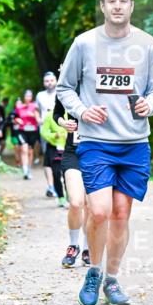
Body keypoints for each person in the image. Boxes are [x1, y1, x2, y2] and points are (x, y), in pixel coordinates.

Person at [56, 0, 153, 305]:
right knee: (99, 211)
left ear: (131, 6)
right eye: (111, 1)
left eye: (123, 0)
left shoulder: (147, 44)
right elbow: (65, 89)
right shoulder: (84, 43)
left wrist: (152, 104)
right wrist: (83, 110)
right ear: (102, 6)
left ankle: (112, 280)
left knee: (120, 214)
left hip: (133, 143)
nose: (117, 5)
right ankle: (94, 271)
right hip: (96, 142)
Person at [53, 79, 90, 268]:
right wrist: (63, 122)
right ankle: (73, 245)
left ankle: (87, 248)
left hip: (97, 152)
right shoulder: (69, 88)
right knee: (76, 202)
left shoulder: (100, 85)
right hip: (73, 152)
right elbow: (57, 113)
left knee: (91, 205)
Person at [37, 71, 59, 197]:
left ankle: (61, 184)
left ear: (55, 81)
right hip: (45, 131)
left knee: (63, 157)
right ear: (44, 83)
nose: (49, 83)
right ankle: (51, 187)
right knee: (48, 158)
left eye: (51, 80)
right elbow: (36, 109)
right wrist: (38, 119)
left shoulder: (61, 92)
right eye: (47, 81)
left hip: (61, 130)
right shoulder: (40, 95)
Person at [40, 106, 67, 207]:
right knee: (56, 173)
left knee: (68, 174)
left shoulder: (71, 113)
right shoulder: (50, 115)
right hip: (54, 147)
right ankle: (61, 197)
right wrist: (54, 135)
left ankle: (70, 195)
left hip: (68, 148)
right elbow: (43, 132)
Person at [13, 91, 40, 179]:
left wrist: (33, 115)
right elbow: (14, 117)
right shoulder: (19, 107)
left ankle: (28, 169)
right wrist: (17, 120)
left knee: (30, 151)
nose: (28, 97)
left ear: (31, 97)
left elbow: (39, 119)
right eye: (26, 96)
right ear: (24, 97)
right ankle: (25, 171)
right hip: (22, 130)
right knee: (24, 148)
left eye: (30, 96)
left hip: (32, 131)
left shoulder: (34, 106)